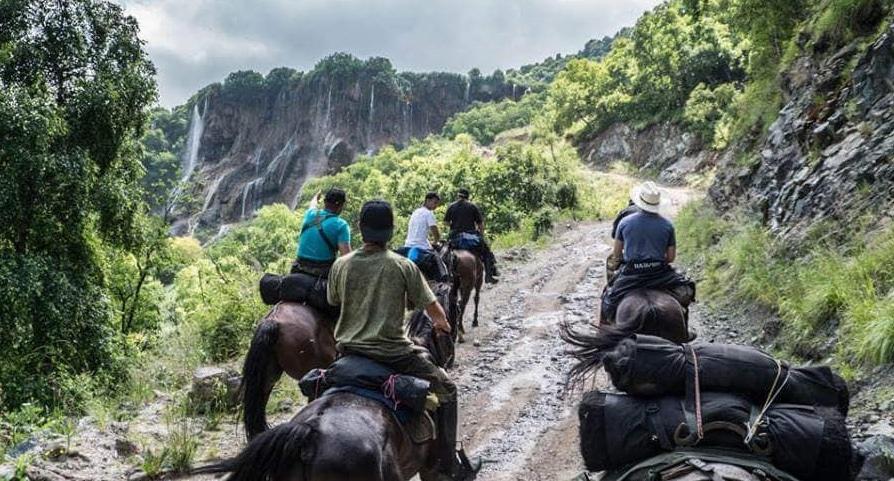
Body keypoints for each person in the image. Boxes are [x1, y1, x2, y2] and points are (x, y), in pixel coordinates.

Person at [327, 200, 480, 481]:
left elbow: (333, 300)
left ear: (360, 228)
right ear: (391, 231)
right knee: (448, 388)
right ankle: (447, 466)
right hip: (394, 354)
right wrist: (444, 325)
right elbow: (434, 310)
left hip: (347, 353)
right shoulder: (403, 266)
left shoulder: (341, 265)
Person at [600, 181, 694, 322]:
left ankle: (604, 328)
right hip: (660, 273)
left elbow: (617, 255)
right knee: (687, 292)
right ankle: (684, 327)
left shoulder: (625, 222)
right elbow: (670, 258)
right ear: (658, 203)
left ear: (640, 201)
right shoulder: (667, 225)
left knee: (608, 300)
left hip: (632, 274)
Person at [291, 187, 352, 278]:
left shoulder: (310, 214)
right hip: (323, 271)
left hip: (299, 266)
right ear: (341, 206)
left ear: (324, 202)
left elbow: (312, 204)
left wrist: (316, 197)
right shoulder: (341, 225)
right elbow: (347, 258)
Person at [444, 188, 499, 284]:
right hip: (471, 236)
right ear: (467, 197)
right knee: (487, 252)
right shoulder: (473, 206)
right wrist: (481, 236)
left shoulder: (451, 206)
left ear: (458, 196)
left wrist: (454, 225)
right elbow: (480, 224)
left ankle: (445, 275)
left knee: (444, 253)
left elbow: (446, 223)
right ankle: (489, 275)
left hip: (455, 237)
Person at [399, 191, 449, 282]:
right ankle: (442, 282)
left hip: (407, 246)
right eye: (434, 203)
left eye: (437, 204)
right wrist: (435, 241)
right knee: (437, 258)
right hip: (420, 247)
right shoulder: (428, 213)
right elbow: (436, 234)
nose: (436, 206)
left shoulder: (415, 212)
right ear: (427, 201)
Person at [606, 200, 640, 283]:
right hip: (654, 259)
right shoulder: (654, 214)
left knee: (611, 261)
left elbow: (614, 235)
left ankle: (611, 285)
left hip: (631, 256)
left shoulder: (624, 212)